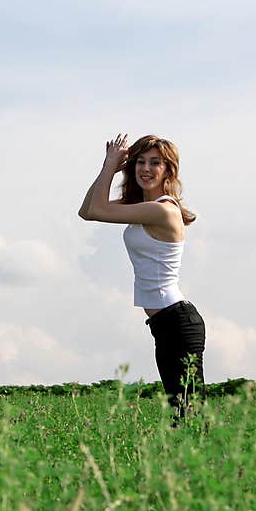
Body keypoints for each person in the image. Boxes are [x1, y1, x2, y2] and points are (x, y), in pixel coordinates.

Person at [78, 133, 206, 424]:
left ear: (168, 171)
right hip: (164, 324)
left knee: (189, 414)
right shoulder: (143, 208)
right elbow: (87, 211)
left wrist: (111, 165)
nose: (145, 169)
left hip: (178, 322)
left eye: (155, 163)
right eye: (140, 162)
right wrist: (107, 167)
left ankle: (211, 466)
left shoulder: (162, 211)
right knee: (181, 413)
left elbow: (97, 209)